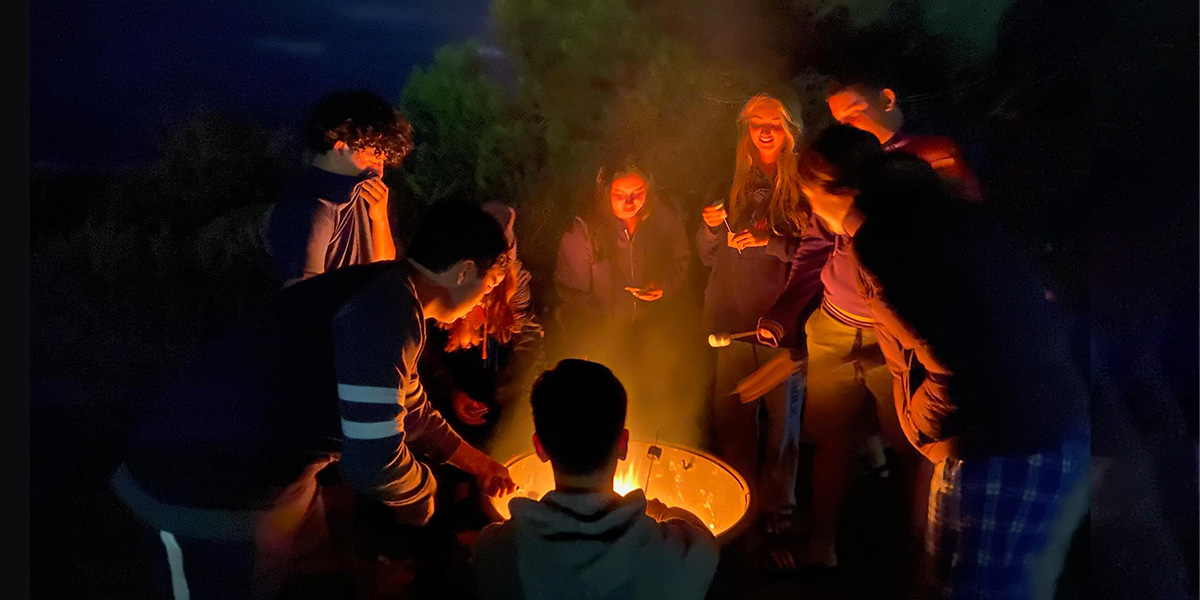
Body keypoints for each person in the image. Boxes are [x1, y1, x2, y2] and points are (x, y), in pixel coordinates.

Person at [111, 199, 518, 600]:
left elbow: (411, 409)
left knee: (317, 575)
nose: (485, 298)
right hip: (205, 490)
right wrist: (420, 493)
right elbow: (372, 461)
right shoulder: (385, 313)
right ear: (465, 271)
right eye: (491, 285)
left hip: (278, 482)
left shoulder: (390, 291)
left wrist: (482, 466)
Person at [811, 150, 1090, 599]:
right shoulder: (955, 228)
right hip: (1007, 435)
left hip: (1006, 446)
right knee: (947, 585)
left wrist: (922, 425)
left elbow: (951, 360)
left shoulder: (887, 245)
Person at [756, 124, 925, 572]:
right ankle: (823, 541)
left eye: (814, 197)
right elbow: (814, 250)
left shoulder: (895, 229)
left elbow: (919, 315)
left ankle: (918, 551)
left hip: (892, 340)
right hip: (832, 327)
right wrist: (786, 313)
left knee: (911, 447)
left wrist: (887, 353)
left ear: (849, 189)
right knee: (829, 439)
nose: (811, 208)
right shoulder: (835, 221)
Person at [473, 359, 719, 600]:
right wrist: (661, 511)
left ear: (540, 448)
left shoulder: (496, 552)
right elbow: (703, 539)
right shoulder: (680, 557)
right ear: (623, 444)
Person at [698, 93, 804, 540]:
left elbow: (813, 252)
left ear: (790, 130)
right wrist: (707, 227)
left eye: (775, 123)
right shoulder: (731, 182)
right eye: (757, 123)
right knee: (734, 418)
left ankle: (779, 513)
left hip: (780, 320)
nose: (765, 130)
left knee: (782, 426)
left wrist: (769, 244)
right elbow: (706, 256)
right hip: (732, 318)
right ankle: (738, 504)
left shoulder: (803, 183)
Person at [553, 155, 693, 440]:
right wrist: (586, 338)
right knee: (611, 410)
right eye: (620, 194)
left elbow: (682, 261)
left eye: (637, 193)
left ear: (649, 190)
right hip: (605, 333)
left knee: (651, 405)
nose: (629, 202)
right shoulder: (584, 232)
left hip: (650, 330)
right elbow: (571, 295)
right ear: (605, 193)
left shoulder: (663, 219)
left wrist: (663, 287)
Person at [266, 90, 412, 286]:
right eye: (374, 158)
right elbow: (302, 296)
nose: (380, 171)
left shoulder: (361, 192)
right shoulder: (309, 206)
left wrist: (379, 219)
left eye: (383, 161)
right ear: (341, 149)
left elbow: (382, 270)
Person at [824, 78, 982, 202]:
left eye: (852, 114)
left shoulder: (938, 148)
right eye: (840, 121)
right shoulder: (865, 161)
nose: (846, 127)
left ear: (887, 100)